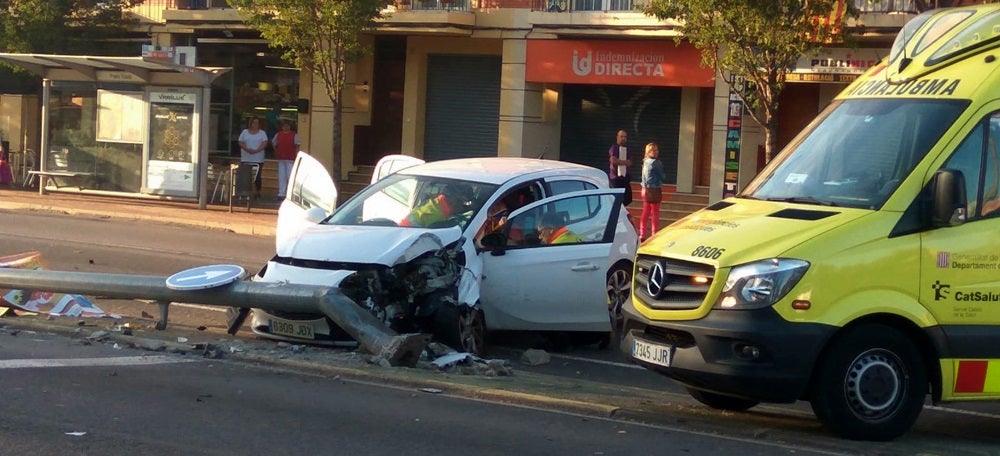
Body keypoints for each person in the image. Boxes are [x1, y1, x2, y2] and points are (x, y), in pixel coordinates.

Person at [399, 184, 472, 227]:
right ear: (454, 200)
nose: (464, 208)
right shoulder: (436, 215)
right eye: (464, 203)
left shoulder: (436, 203)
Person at [639, 142, 665, 241]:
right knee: (655, 213)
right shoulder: (655, 163)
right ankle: (654, 234)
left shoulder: (645, 161)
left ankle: (642, 233)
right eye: (653, 150)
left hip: (645, 189)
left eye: (656, 150)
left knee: (645, 212)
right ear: (649, 151)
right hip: (654, 190)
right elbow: (662, 176)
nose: (656, 152)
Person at [238, 117, 269, 198]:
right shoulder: (245, 132)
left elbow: (265, 142)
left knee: (257, 176)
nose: (255, 124)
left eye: (257, 123)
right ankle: (245, 192)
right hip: (246, 158)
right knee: (245, 176)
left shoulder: (262, 133)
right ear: (250, 123)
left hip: (258, 158)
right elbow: (240, 142)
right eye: (254, 122)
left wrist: (257, 150)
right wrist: (247, 149)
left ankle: (257, 192)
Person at [271, 119, 300, 200]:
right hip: (281, 158)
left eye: (287, 126)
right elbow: (274, 143)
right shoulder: (278, 134)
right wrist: (277, 152)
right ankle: (281, 193)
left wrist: (296, 155)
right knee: (281, 176)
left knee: (290, 176)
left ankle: (290, 193)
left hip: (290, 158)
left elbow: (297, 145)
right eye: (284, 126)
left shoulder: (294, 135)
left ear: (290, 127)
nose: (285, 127)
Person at [608, 129, 633, 205]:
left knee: (628, 198)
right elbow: (613, 161)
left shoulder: (627, 149)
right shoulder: (614, 148)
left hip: (625, 178)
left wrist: (620, 162)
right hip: (616, 178)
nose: (623, 138)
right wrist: (624, 162)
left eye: (625, 137)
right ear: (617, 137)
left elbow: (630, 162)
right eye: (621, 136)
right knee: (617, 199)